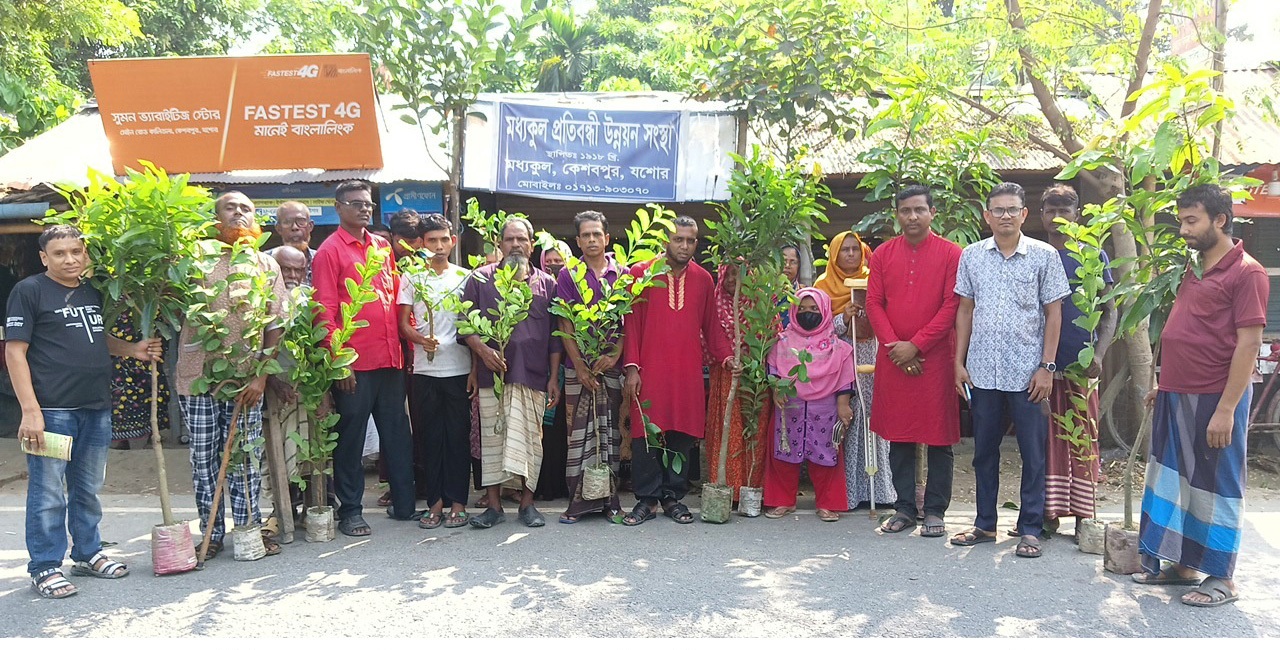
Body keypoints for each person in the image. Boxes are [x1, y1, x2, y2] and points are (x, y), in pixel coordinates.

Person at [7, 225, 161, 599]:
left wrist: (133, 350)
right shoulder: (29, 291)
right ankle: (44, 566)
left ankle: (87, 553)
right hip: (54, 411)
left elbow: (92, 335)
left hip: (96, 409)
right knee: (48, 492)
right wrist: (31, 411)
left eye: (76, 251)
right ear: (45, 258)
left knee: (88, 489)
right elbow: (14, 351)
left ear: (85, 254)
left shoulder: (92, 291)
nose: (70, 259)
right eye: (60, 253)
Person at [1133, 184, 1267, 608]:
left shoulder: (1248, 272)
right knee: (1177, 482)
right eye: (1182, 221)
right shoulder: (1195, 269)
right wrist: (1164, 383)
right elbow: (1188, 331)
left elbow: (1248, 344)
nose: (1185, 229)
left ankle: (1222, 577)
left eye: (1192, 221)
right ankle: (1185, 565)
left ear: (1220, 220)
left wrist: (1227, 409)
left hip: (1215, 397)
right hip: (1178, 394)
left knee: (1217, 485)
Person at [952, 182, 1070, 559]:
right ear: (987, 216)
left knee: (1032, 451)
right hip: (982, 371)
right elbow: (965, 310)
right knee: (984, 450)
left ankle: (1030, 527)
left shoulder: (1044, 255)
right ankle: (985, 523)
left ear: (1023, 214)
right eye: (997, 210)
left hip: (1028, 374)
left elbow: (1054, 313)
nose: (1004, 216)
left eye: (1012, 210)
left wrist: (1047, 367)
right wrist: (959, 361)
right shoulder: (971, 256)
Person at [175, 192, 288, 560]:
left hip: (245, 383)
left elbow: (276, 324)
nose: (239, 213)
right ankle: (211, 534)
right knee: (204, 458)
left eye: (246, 209)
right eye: (230, 207)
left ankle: (248, 530)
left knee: (244, 458)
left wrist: (260, 377)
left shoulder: (265, 264)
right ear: (216, 216)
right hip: (197, 378)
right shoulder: (193, 259)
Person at [312, 180, 416, 537]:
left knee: (397, 434)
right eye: (355, 203)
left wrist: (409, 346)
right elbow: (325, 309)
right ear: (338, 208)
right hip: (354, 365)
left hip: (389, 358)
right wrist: (338, 360)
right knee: (351, 438)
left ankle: (405, 505)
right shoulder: (329, 251)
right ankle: (352, 512)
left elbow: (395, 297)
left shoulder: (382, 247)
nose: (364, 209)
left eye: (368, 203)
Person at [621, 216, 733, 526]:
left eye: (690, 240)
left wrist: (726, 357)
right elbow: (631, 325)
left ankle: (672, 497)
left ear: (697, 242)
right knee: (646, 434)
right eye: (678, 239)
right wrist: (632, 367)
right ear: (665, 241)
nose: (684, 245)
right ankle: (646, 499)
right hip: (650, 370)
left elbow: (712, 327)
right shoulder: (641, 274)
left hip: (687, 373)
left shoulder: (703, 279)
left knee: (682, 435)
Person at [866, 185, 963, 538]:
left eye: (919, 210)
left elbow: (952, 306)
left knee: (939, 437)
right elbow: (874, 303)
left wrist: (916, 346)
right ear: (897, 215)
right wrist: (896, 347)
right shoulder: (882, 254)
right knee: (899, 435)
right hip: (894, 359)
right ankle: (904, 507)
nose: (912, 217)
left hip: (936, 358)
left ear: (932, 213)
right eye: (905, 210)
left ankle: (935, 510)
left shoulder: (953, 254)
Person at [462, 216, 563, 529]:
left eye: (522, 240)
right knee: (493, 442)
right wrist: (483, 351)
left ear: (532, 246)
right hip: (491, 377)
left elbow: (555, 337)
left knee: (532, 441)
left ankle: (527, 504)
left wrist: (553, 377)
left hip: (533, 376)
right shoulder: (480, 279)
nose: (516, 245)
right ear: (500, 244)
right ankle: (493, 506)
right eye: (510, 240)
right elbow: (465, 325)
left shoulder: (548, 284)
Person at [1038, 184, 1117, 537]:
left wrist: (1099, 354)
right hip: (1039, 368)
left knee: (1083, 439)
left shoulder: (1092, 256)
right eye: (1050, 211)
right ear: (1040, 215)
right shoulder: (1033, 254)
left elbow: (1110, 310)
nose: (1057, 218)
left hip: (1081, 367)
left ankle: (1085, 514)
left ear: (1077, 214)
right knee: (1044, 438)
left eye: (1064, 211)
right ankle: (1047, 513)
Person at [397, 213, 474, 530]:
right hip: (426, 373)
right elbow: (403, 325)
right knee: (431, 439)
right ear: (421, 244)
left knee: (458, 438)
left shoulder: (466, 277)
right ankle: (435, 504)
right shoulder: (412, 279)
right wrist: (419, 339)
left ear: (453, 241)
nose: (439, 246)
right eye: (432, 241)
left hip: (459, 369)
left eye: (444, 239)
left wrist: (475, 370)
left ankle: (458, 503)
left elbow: (472, 328)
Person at [815, 231, 895, 510]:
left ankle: (881, 492)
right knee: (848, 421)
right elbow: (818, 329)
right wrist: (843, 317)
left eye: (854, 249)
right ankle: (847, 493)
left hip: (872, 353)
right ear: (835, 254)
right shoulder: (823, 285)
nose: (850, 254)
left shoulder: (874, 279)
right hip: (841, 358)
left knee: (875, 419)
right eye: (844, 250)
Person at [556, 211, 627, 523]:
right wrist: (580, 368)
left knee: (610, 435)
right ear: (578, 241)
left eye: (597, 234)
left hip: (610, 367)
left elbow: (628, 322)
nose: (592, 240)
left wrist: (613, 355)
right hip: (579, 370)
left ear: (607, 238)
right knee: (578, 435)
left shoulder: (622, 275)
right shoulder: (569, 276)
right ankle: (578, 502)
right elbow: (565, 324)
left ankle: (611, 501)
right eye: (585, 235)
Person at [763, 288, 854, 522]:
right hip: (789, 405)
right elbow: (772, 369)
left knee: (827, 455)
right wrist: (776, 390)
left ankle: (827, 503)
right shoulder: (782, 341)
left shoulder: (838, 347)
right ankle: (782, 501)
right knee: (784, 453)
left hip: (824, 409)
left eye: (813, 309)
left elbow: (845, 377)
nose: (807, 313)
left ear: (824, 311)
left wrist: (843, 405)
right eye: (801, 309)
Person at [704, 265, 769, 501]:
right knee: (726, 432)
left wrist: (753, 358)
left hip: (754, 377)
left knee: (753, 432)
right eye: (728, 273)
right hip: (724, 374)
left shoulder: (760, 304)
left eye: (739, 274)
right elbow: (708, 336)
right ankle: (726, 489)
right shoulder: (714, 304)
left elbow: (771, 335)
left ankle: (751, 491)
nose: (733, 279)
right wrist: (727, 358)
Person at [535, 238, 573, 501]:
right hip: (541, 367)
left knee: (561, 430)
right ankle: (542, 486)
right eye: (548, 263)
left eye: (559, 262)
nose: (553, 267)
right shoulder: (540, 288)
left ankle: (561, 485)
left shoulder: (573, 288)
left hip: (567, 364)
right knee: (542, 431)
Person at [107, 310, 171, 449]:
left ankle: (150, 435)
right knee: (119, 387)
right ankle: (122, 441)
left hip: (146, 339)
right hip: (119, 343)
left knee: (149, 385)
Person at [270, 201, 317, 284]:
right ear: (278, 228)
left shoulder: (321, 259)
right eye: (287, 222)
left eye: (301, 222)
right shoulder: (267, 260)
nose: (295, 227)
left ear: (310, 226)